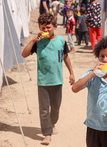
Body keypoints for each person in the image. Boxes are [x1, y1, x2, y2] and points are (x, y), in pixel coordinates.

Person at [22, 13, 75, 145]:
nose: (45, 30)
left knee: (56, 107)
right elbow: (24, 54)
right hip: (43, 82)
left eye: (48, 27)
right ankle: (47, 134)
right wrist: (33, 40)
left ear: (55, 26)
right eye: (42, 28)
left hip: (57, 81)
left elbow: (66, 57)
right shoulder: (38, 42)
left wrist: (71, 73)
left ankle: (52, 123)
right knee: (44, 109)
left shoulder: (61, 41)